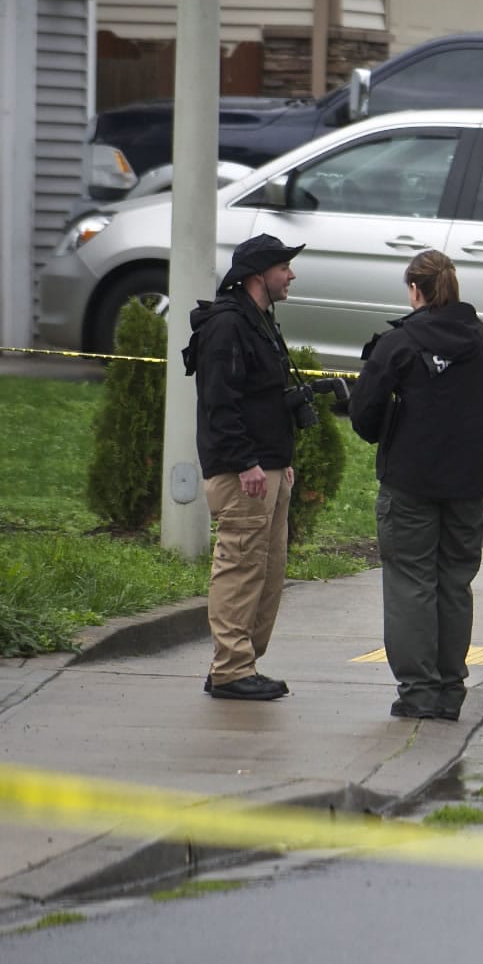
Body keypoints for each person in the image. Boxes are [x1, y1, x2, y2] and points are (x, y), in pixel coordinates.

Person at [349, 250, 483, 722]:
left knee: (410, 584)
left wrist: (388, 429)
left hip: (408, 483)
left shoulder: (399, 343)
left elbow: (363, 413)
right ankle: (450, 689)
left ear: (415, 290)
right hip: (468, 486)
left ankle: (419, 691)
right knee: (454, 583)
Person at [183, 233, 306, 702]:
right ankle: (231, 669)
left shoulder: (259, 321)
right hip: (243, 472)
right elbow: (221, 401)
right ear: (259, 275)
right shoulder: (228, 325)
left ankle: (240, 665)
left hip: (268, 467)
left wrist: (279, 462)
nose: (291, 275)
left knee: (267, 570)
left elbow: (262, 398)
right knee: (240, 566)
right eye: (284, 268)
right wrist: (247, 462)